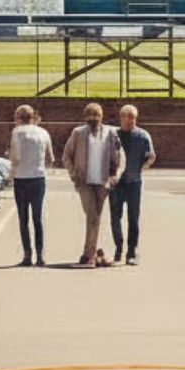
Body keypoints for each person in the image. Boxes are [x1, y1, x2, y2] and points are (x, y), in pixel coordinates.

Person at [63, 102, 125, 267]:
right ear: (85, 118)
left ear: (101, 117)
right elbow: (66, 156)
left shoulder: (111, 133)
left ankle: (93, 253)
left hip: (103, 183)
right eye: (89, 116)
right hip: (84, 182)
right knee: (93, 216)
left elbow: (120, 158)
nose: (93, 119)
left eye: (96, 116)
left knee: (94, 218)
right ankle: (90, 255)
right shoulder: (78, 133)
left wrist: (116, 176)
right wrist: (73, 174)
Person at [8, 103, 54, 267]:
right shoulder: (43, 132)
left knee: (23, 218)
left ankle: (27, 255)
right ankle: (40, 255)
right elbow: (51, 158)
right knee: (37, 217)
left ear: (19, 118)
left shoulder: (17, 132)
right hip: (38, 177)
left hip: (22, 178)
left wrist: (10, 175)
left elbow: (15, 157)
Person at [109, 103, 155, 265]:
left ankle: (132, 250)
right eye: (126, 117)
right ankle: (118, 246)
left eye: (133, 117)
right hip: (117, 183)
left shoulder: (143, 136)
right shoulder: (113, 135)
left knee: (133, 218)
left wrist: (141, 168)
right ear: (120, 118)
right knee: (115, 216)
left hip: (134, 182)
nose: (130, 120)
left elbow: (151, 156)